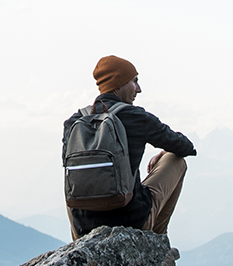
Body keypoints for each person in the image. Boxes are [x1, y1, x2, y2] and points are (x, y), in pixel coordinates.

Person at [64, 55, 196, 240]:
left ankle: (79, 241)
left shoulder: (74, 122)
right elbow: (186, 147)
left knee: (74, 180)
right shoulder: (136, 116)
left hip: (83, 228)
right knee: (176, 160)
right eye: (135, 81)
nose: (139, 89)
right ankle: (157, 240)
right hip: (133, 221)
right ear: (118, 83)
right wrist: (166, 152)